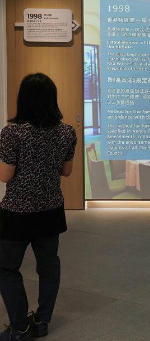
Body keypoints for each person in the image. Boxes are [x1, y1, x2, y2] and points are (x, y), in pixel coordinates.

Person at [0, 73, 77, 341]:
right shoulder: (67, 131)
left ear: (23, 100)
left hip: (17, 213)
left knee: (6, 268)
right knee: (48, 267)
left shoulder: (12, 133)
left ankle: (20, 327)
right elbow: (66, 171)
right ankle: (42, 322)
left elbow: (5, 176)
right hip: (50, 210)